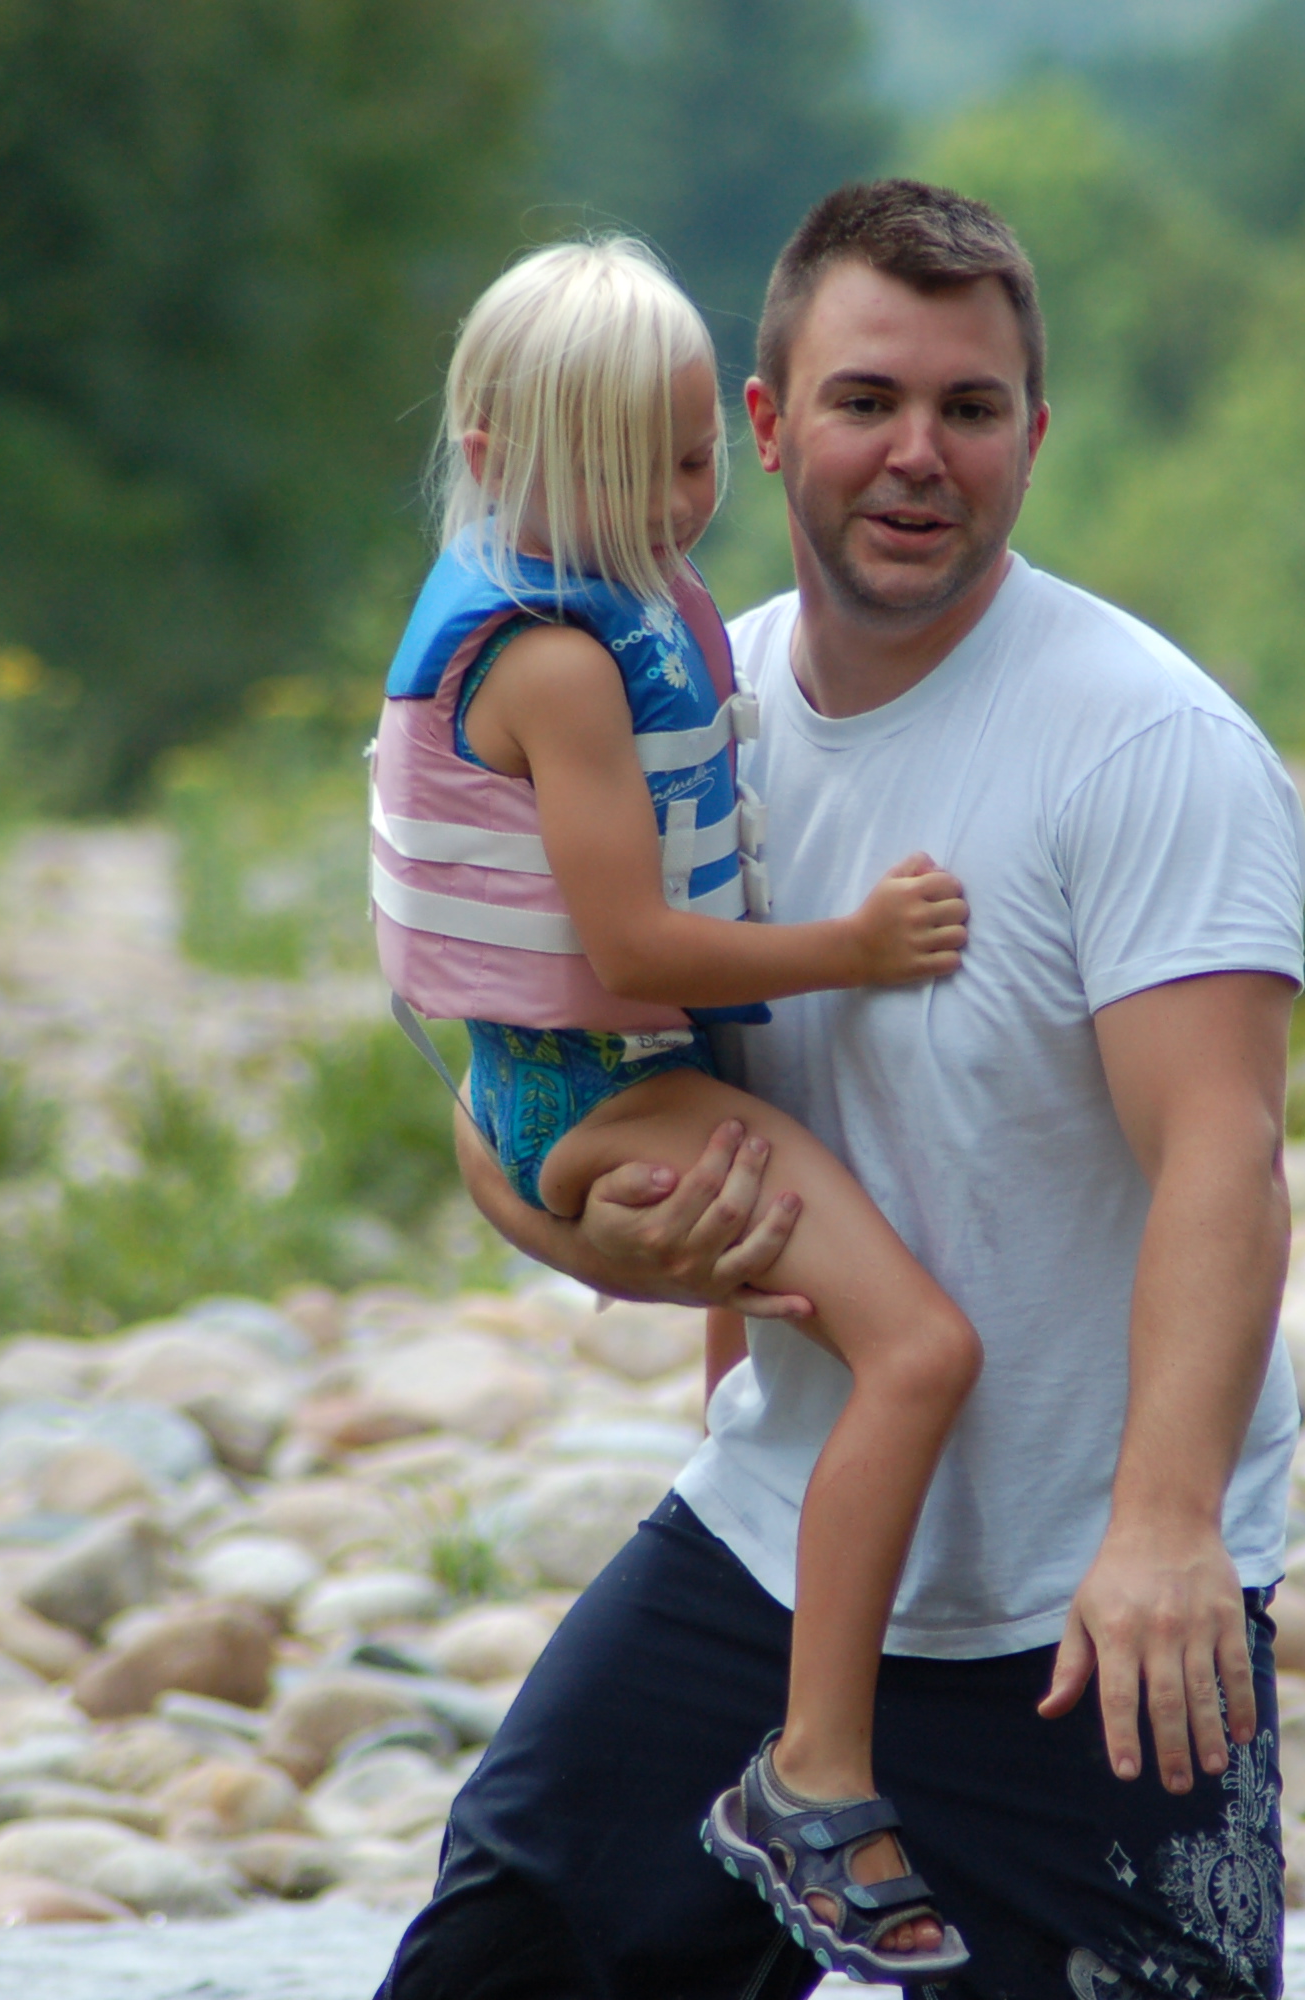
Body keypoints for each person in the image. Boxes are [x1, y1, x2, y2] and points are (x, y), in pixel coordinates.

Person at [378, 180, 1305, 2000]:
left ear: (1034, 433)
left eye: (971, 409)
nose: (917, 456)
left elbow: (1226, 1152)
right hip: (773, 1562)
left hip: (1089, 1605)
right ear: (764, 424)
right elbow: (526, 1079)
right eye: (867, 401)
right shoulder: (679, 716)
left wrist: (1168, 1527)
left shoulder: (1151, 745)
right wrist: (592, 1235)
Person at [370, 234, 994, 1978]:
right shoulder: (558, 662)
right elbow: (635, 946)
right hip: (604, 1085)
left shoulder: (621, 604)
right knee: (920, 1352)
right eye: (621, 473)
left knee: (764, 1348)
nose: (670, 509)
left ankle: (772, 1646)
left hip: (613, 1076)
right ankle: (815, 1775)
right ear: (494, 457)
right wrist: (859, 948)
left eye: (693, 460)